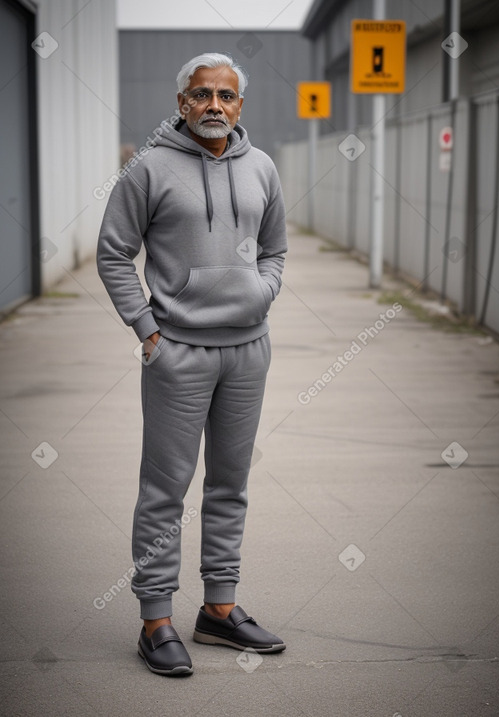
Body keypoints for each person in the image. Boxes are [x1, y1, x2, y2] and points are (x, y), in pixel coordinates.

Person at [97, 52, 287, 676]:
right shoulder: (147, 170)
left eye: (225, 96)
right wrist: (148, 329)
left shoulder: (261, 168)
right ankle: (156, 620)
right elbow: (113, 253)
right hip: (177, 351)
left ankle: (218, 611)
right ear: (182, 103)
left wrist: (261, 294)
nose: (214, 106)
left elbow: (276, 250)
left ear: (239, 105)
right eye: (201, 95)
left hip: (248, 349)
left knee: (231, 484)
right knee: (165, 491)